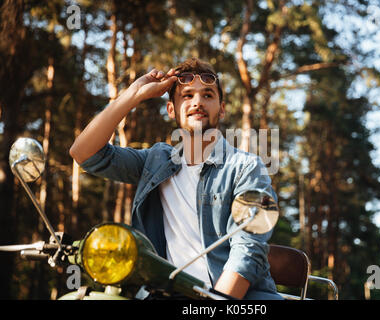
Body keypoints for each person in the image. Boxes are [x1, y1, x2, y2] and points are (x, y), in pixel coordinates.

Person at [70, 57, 282, 300]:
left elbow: (248, 249)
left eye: (208, 95)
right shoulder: (155, 162)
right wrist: (133, 95)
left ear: (221, 109)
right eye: (187, 95)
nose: (198, 102)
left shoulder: (246, 167)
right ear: (171, 109)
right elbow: (84, 153)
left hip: (235, 298)